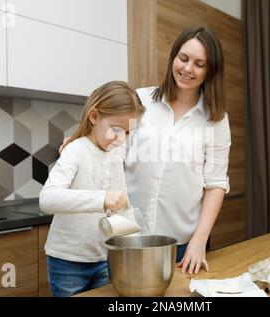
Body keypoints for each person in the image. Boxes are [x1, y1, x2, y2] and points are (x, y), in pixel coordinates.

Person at [61, 26, 230, 275]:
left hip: (181, 244)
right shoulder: (141, 101)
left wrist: (199, 240)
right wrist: (79, 143)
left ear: (210, 70)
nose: (187, 69)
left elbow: (215, 184)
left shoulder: (216, 120)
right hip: (126, 235)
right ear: (173, 57)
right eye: (183, 59)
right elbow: (109, 144)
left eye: (199, 64)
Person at [39, 81, 145, 296]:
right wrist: (102, 199)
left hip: (104, 258)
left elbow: (122, 205)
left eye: (127, 132)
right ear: (94, 116)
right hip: (68, 261)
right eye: (116, 129)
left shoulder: (116, 151)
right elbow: (47, 199)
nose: (121, 139)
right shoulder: (75, 150)